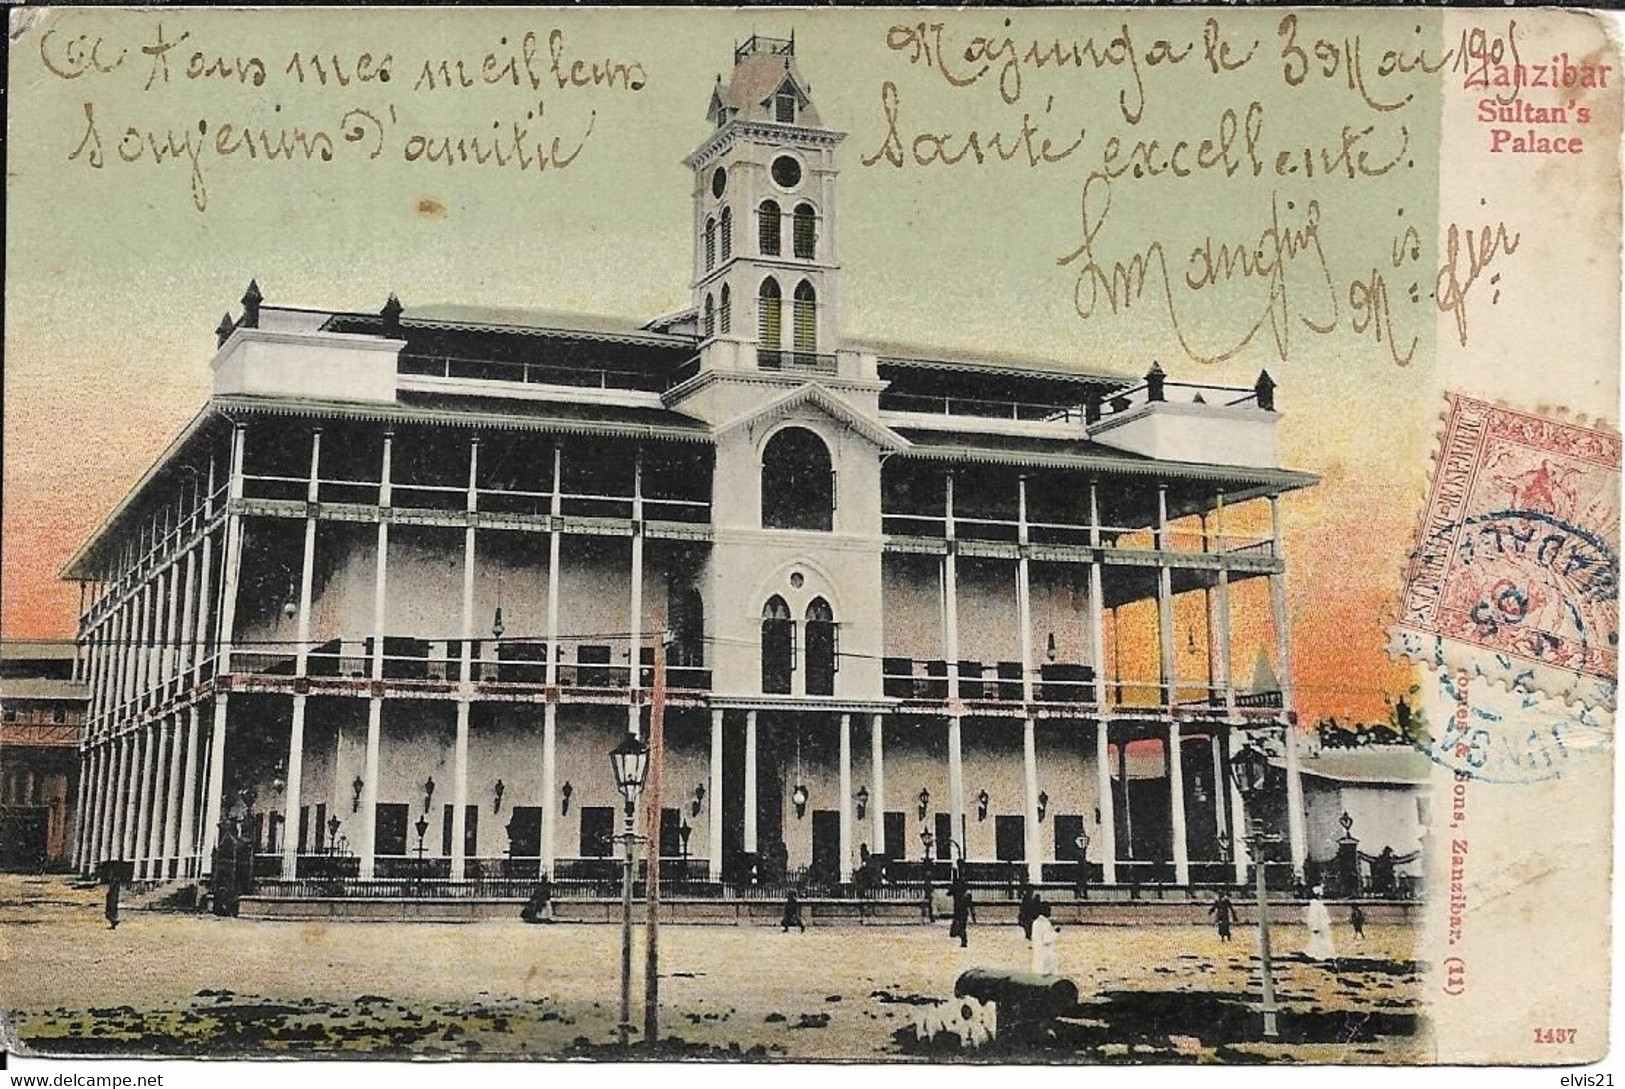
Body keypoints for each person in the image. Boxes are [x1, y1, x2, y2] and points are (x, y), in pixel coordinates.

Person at [1304, 886, 1336, 961]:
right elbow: (1313, 916)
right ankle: (1316, 955)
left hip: (1323, 925)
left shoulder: (1320, 904)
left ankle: (1326, 955)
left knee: (1325, 940)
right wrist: (1315, 926)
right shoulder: (1314, 904)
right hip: (1318, 925)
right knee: (1317, 940)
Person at [1029, 904, 1059, 975]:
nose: (1050, 912)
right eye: (1049, 910)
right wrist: (1056, 932)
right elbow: (1047, 939)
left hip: (1037, 951)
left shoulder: (1036, 922)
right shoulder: (1045, 923)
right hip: (1045, 953)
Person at [948, 872, 976, 949]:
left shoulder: (958, 893)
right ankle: (963, 940)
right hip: (962, 913)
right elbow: (971, 906)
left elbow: (949, 893)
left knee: (958, 928)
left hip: (958, 912)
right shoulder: (966, 894)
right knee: (960, 928)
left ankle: (964, 940)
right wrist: (973, 916)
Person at [103, 862, 122, 930]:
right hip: (113, 898)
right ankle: (113, 922)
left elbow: (112, 891)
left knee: (109, 913)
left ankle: (114, 921)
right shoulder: (115, 881)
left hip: (112, 899)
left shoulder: (114, 881)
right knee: (110, 912)